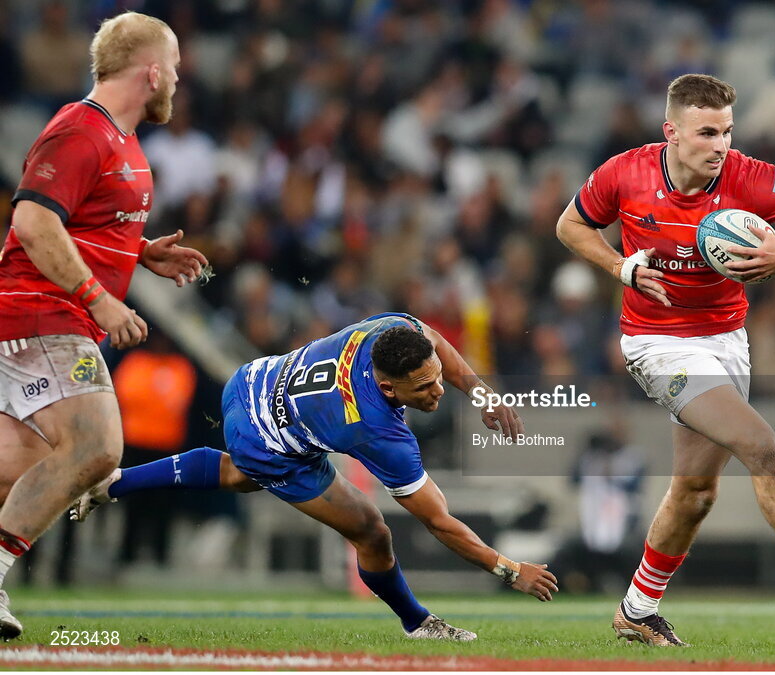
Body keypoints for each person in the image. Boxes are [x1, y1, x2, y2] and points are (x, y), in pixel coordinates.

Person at [556, 73, 775, 647]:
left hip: (725, 340)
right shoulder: (624, 173)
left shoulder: (750, 177)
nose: (721, 146)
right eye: (707, 133)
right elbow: (570, 225)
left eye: (727, 132)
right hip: (656, 343)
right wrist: (620, 266)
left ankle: (636, 610)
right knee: (760, 445)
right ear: (671, 132)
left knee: (696, 493)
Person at [72, 312, 558, 640]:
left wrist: (481, 393)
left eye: (436, 379)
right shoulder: (376, 431)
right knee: (371, 531)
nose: (438, 391)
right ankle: (418, 623)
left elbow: (435, 342)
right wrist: (509, 569)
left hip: (251, 380)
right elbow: (438, 521)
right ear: (388, 388)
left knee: (239, 475)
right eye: (425, 387)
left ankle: (114, 482)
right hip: (265, 437)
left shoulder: (390, 331)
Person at [0, 12, 209, 640]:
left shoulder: (120, 140)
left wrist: (137, 251)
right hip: (44, 314)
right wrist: (101, 299)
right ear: (152, 73)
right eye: (173, 65)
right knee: (97, 447)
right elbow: (33, 222)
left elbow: (82, 220)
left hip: (46, 317)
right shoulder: (81, 129)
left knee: (23, 466)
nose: (178, 77)